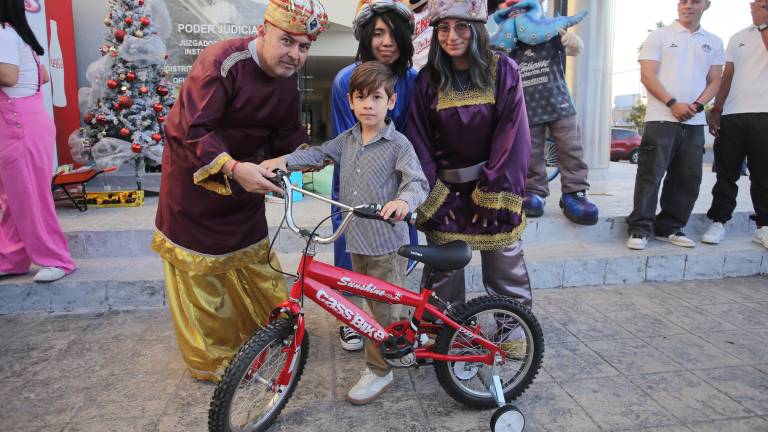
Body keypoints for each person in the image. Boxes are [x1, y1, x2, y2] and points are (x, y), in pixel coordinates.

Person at [151, 0, 329, 382]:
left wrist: (312, 158)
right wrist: (233, 168)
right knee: (207, 277)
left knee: (256, 261)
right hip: (197, 187)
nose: (295, 55)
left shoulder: (285, 79)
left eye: (304, 47)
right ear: (263, 30)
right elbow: (191, 131)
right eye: (287, 41)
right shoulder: (222, 62)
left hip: (245, 186)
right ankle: (219, 361)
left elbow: (287, 135)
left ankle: (270, 332)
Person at [260, 61, 429, 405]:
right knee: (375, 305)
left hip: (387, 245)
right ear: (351, 102)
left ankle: (381, 370)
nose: (368, 104)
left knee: (382, 310)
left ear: (391, 102)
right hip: (356, 241)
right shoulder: (347, 140)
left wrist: (402, 201)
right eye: (361, 97)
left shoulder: (399, 144)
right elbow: (318, 155)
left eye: (376, 97)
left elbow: (417, 181)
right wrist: (284, 161)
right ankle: (404, 339)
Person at [406, 0, 533, 325]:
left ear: (476, 29)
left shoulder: (504, 70)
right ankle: (447, 338)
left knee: (505, 267)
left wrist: (493, 194)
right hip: (445, 197)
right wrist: (435, 198)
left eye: (461, 26)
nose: (451, 36)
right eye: (444, 28)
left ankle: (515, 337)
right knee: (444, 278)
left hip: (493, 191)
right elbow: (418, 141)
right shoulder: (427, 80)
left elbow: (512, 137)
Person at [330, 0, 419, 352]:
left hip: (397, 182)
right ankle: (351, 317)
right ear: (366, 36)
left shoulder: (414, 80)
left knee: (395, 254)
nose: (387, 41)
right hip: (356, 182)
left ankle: (392, 319)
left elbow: (416, 136)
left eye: (394, 32)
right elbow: (345, 141)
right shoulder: (344, 81)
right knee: (350, 253)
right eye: (378, 32)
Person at [626, 0, 724, 251]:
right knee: (650, 175)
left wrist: (697, 106)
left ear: (706, 5)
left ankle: (669, 227)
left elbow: (715, 80)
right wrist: (672, 103)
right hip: (661, 119)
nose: (687, 6)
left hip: (694, 122)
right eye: (683, 1)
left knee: (687, 178)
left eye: (694, 2)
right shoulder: (660, 35)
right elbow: (647, 75)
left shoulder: (713, 41)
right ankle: (640, 229)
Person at [493, 0, 598, 225]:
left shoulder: (550, 32)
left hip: (559, 103)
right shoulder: (508, 47)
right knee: (531, 152)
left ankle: (575, 192)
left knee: (571, 148)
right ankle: (533, 191)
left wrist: (574, 42)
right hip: (527, 108)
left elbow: (574, 49)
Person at [0, 0, 76, 283]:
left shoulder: (4, 33)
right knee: (13, 197)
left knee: (29, 196)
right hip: (24, 121)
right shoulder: (16, 33)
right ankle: (11, 258)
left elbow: (9, 76)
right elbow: (42, 76)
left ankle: (57, 259)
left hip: (17, 123)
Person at [702, 0, 768, 249]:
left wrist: (763, 23)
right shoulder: (739, 37)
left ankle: (763, 227)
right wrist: (717, 109)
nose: (755, 5)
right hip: (733, 116)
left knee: (763, 176)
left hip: (765, 115)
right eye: (755, 2)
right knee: (726, 174)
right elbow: (727, 75)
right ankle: (718, 221)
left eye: (761, 3)